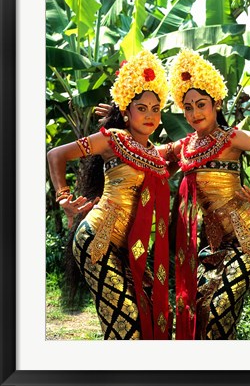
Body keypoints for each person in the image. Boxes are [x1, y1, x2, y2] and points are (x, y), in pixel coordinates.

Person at [47, 50, 171, 340]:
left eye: (156, 108)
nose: (150, 115)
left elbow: (187, 148)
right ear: (126, 110)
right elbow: (56, 155)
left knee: (146, 313)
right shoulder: (112, 139)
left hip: (127, 249)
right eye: (142, 108)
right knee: (126, 323)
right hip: (96, 240)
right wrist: (63, 196)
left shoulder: (155, 153)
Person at [158, 48, 250, 340]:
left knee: (219, 309)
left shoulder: (232, 137)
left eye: (201, 104)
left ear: (216, 102)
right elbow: (142, 156)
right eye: (188, 107)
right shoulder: (182, 147)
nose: (195, 113)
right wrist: (117, 125)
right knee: (204, 310)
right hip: (211, 244)